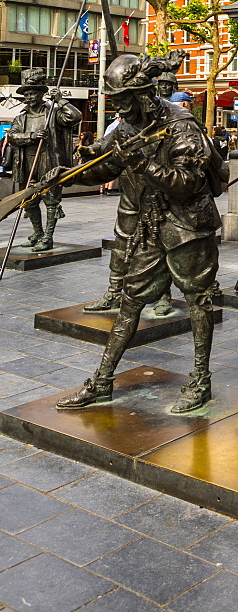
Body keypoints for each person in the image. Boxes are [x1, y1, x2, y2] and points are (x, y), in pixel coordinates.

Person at [49, 52, 221, 414]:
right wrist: (69, 175)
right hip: (151, 226)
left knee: (197, 302)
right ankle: (102, 381)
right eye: (115, 103)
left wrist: (142, 163)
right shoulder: (128, 127)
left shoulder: (182, 126)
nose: (119, 110)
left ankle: (201, 380)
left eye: (123, 102)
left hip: (189, 226)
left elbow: (187, 184)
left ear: (143, 94)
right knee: (129, 303)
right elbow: (106, 166)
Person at [8, 70, 81, 251]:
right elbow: (12, 137)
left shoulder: (53, 114)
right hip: (26, 163)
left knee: (51, 200)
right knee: (29, 201)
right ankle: (37, 233)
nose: (30, 97)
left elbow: (75, 116)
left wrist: (61, 101)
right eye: (27, 94)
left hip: (48, 161)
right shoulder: (21, 118)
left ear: (42, 94)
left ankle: (48, 237)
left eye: (33, 93)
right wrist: (31, 136)